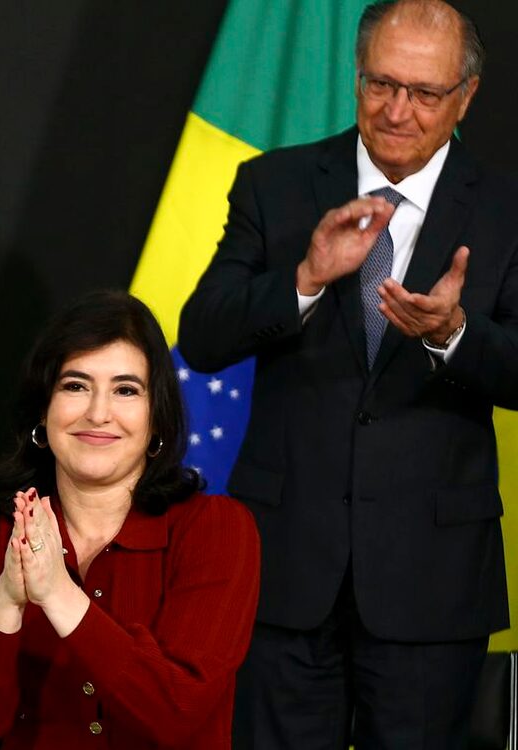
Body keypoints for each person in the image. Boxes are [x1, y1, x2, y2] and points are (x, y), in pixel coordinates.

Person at [178, 1, 516, 747]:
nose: (396, 110)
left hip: (431, 584)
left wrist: (455, 335)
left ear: (466, 96)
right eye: (380, 84)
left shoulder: (505, 211)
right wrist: (302, 279)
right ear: (357, 76)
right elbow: (201, 337)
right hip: (287, 573)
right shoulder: (276, 184)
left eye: (423, 93)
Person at [0, 290, 260, 749]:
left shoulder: (218, 530)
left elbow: (177, 712)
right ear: (44, 411)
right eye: (75, 386)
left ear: (156, 418)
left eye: (126, 390)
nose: (98, 414)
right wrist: (7, 600)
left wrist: (58, 593)